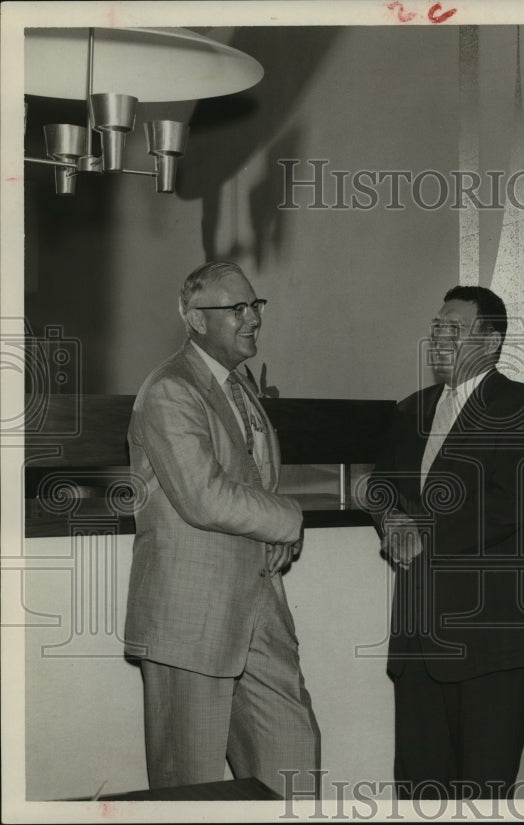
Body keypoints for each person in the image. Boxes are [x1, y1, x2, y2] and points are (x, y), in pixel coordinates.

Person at [124, 261, 321, 798]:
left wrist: (270, 534)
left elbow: (250, 478)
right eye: (237, 308)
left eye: (255, 305)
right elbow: (203, 496)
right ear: (195, 319)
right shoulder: (169, 389)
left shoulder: (239, 387)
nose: (253, 317)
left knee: (293, 767)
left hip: (259, 611)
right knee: (189, 791)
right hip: (190, 623)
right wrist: (288, 520)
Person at [367, 285, 524, 800]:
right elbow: (381, 485)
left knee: (482, 793)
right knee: (419, 790)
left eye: (454, 328)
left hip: (492, 635)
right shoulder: (412, 409)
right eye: (436, 327)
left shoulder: (520, 406)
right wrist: (391, 519)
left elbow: (506, 504)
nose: (439, 338)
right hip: (419, 639)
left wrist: (418, 530)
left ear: (491, 342)